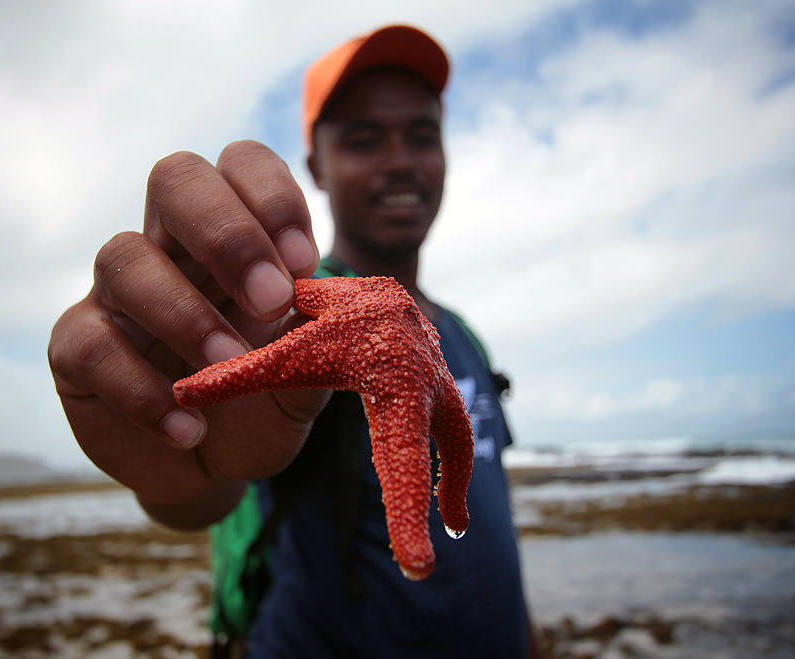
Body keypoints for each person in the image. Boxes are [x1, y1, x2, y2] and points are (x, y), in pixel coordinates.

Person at [49, 24, 537, 658]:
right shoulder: (277, 315)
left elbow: (485, 506)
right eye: (364, 139)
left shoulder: (460, 335)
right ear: (317, 167)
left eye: (422, 135)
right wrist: (183, 472)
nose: (399, 160)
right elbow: (213, 490)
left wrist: (529, 637)